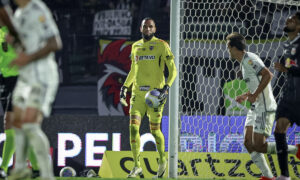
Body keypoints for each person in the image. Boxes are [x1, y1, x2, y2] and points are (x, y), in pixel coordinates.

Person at [6, 0, 62, 180]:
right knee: (17, 123)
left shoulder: (37, 8)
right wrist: (13, 42)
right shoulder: (18, 14)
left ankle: (47, 175)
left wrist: (27, 59)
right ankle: (20, 169)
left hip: (42, 76)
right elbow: (25, 47)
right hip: (26, 77)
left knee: (30, 124)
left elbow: (55, 43)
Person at [120, 17, 177, 178]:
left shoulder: (162, 45)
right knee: (133, 128)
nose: (148, 29)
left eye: (150, 27)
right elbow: (133, 69)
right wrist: (125, 86)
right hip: (137, 93)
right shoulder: (135, 46)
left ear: (155, 29)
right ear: (140, 29)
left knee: (155, 130)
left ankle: (162, 160)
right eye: (145, 27)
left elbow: (173, 70)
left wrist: (167, 87)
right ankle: (137, 166)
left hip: (155, 94)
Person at [226, 32, 278, 180]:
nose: (227, 50)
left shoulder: (250, 60)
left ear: (233, 47)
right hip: (255, 106)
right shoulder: (243, 63)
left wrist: (254, 95)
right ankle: (268, 177)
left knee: (258, 145)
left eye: (228, 47)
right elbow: (257, 83)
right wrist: (247, 95)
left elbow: (268, 75)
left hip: (264, 106)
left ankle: (294, 150)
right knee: (248, 142)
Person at [0, 26, 40, 179]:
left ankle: (3, 167)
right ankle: (37, 167)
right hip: (5, 81)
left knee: (10, 122)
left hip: (20, 79)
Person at [273, 12, 300, 180]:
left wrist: (287, 69)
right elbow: (288, 68)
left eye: (292, 20)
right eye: (288, 18)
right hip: (288, 96)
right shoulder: (286, 45)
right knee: (279, 130)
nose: (287, 20)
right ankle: (284, 175)